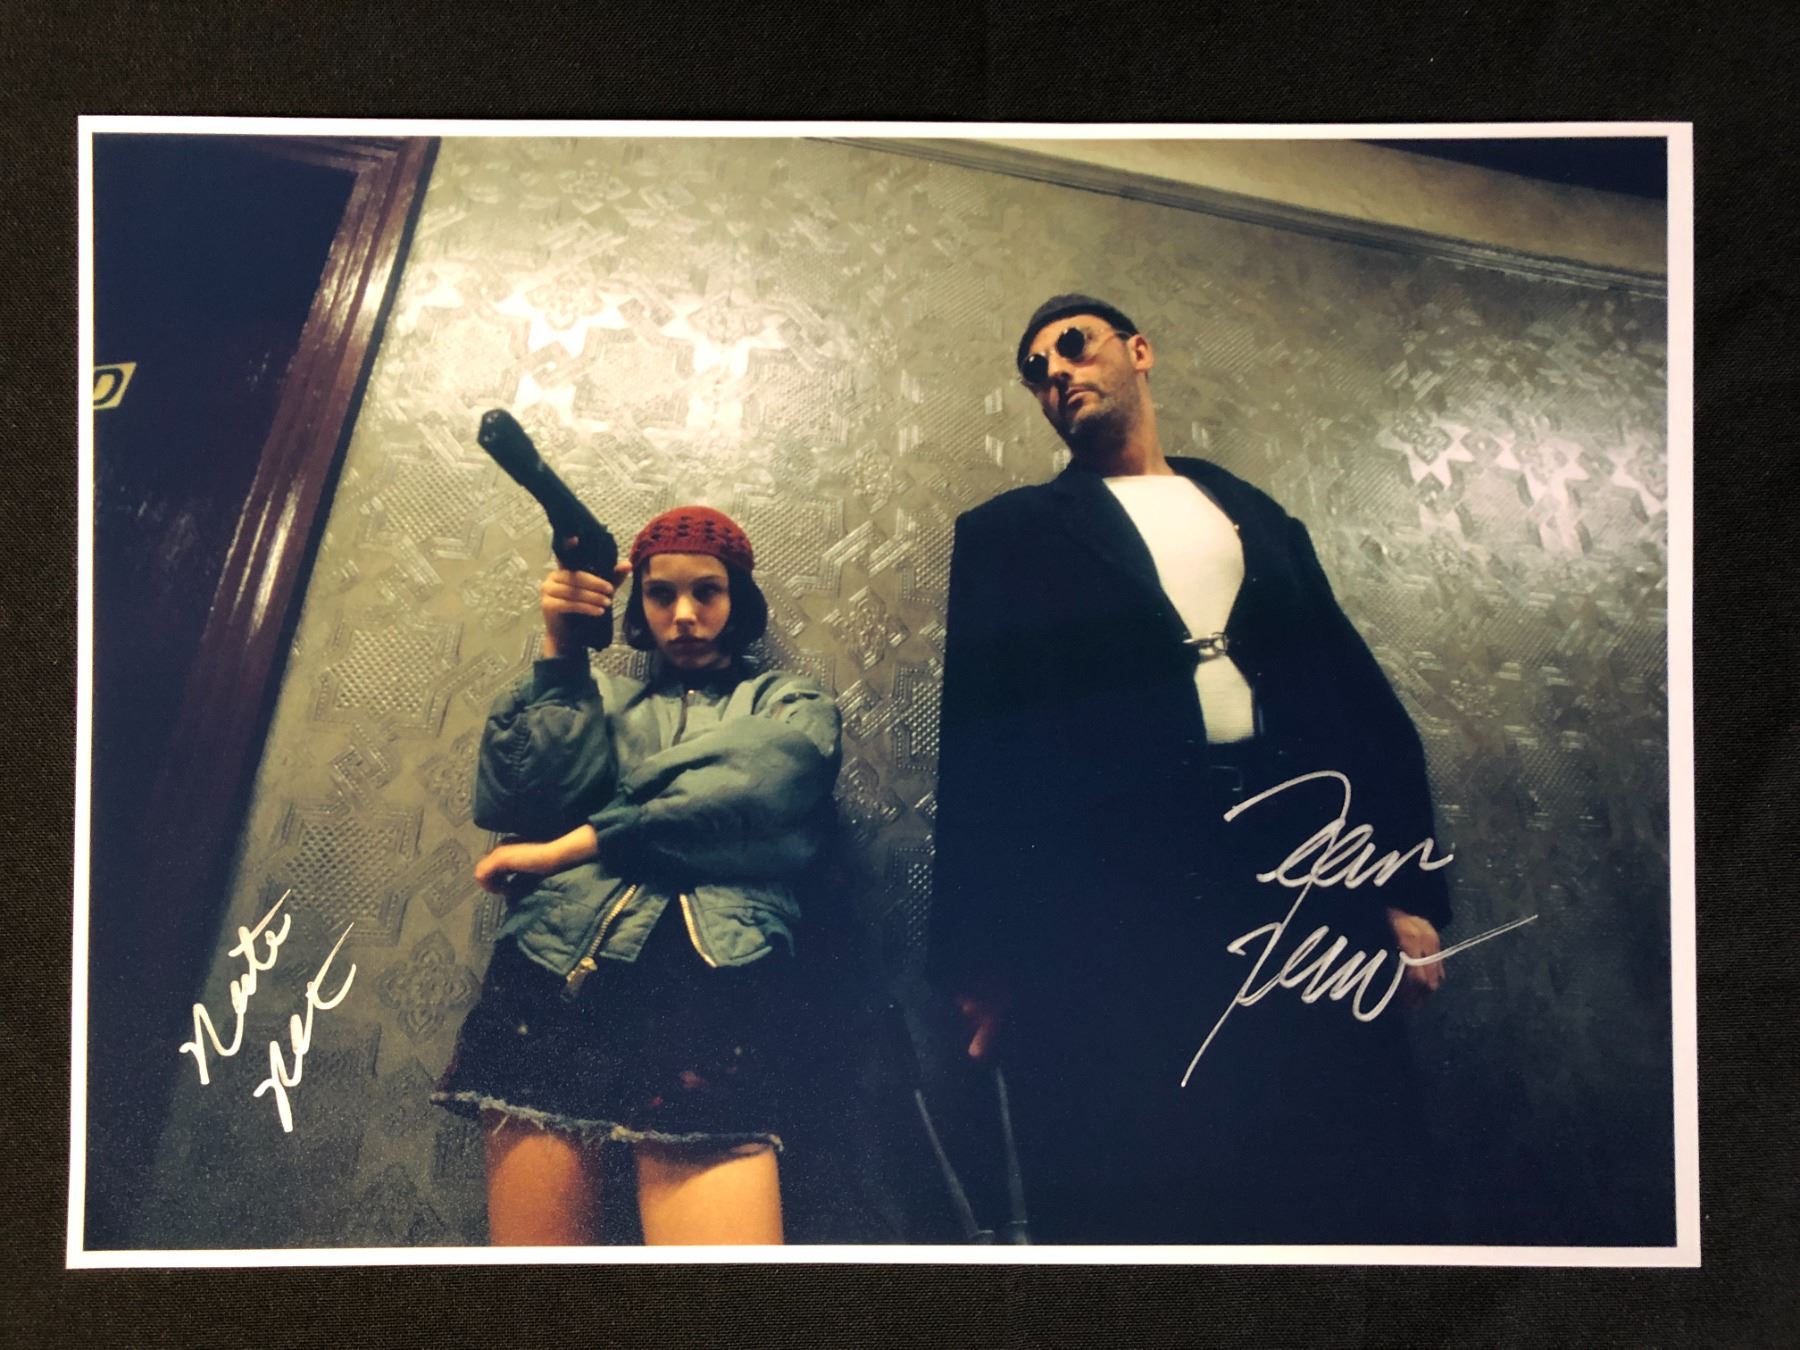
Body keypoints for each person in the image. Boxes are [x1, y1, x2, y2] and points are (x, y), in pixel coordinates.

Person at [928, 294, 1453, 1244]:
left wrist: (1403, 887)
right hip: (1117, 885)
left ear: (1139, 351)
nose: (1057, 372)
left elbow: (1352, 698)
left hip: (1300, 861)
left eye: (1074, 346)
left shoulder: (1258, 518)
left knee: (1331, 1147)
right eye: (1037, 371)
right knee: (1147, 1159)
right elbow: (982, 741)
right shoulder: (1011, 533)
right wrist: (985, 955)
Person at [433, 505, 842, 1246]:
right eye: (660, 593)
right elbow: (521, 799)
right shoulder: (601, 700)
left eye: (707, 591)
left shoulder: (789, 705)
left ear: (739, 598)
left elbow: (758, 785)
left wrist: (572, 847)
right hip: (554, 976)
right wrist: (561, 653)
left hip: (712, 988)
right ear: (637, 604)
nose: (683, 614)